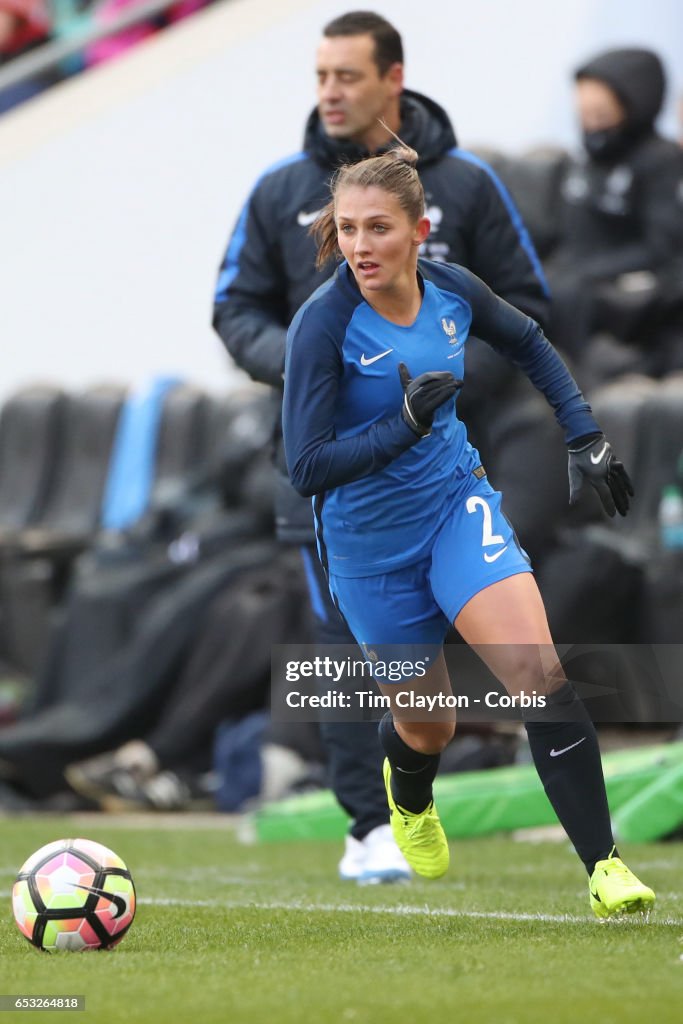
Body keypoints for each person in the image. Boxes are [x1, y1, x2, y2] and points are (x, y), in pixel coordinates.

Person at [213, 10, 564, 885]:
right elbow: (232, 310)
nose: (329, 92)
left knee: (473, 642)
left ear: (392, 78)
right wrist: (304, 371)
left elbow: (528, 307)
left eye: (346, 76)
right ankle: (367, 827)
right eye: (320, 76)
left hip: (441, 464)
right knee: (342, 644)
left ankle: (434, 790)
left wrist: (438, 387)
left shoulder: (470, 185)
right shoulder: (277, 188)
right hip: (327, 469)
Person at [282, 144, 655, 919]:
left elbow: (528, 342)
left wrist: (582, 434)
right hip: (367, 552)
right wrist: (404, 423)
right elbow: (307, 466)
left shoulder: (452, 290)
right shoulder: (320, 327)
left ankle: (604, 867)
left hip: (456, 506)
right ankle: (409, 799)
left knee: (536, 672)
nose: (358, 246)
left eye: (376, 228)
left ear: (420, 231)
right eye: (345, 229)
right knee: (428, 725)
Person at [545, 47, 683, 382]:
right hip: (575, 277)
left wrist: (585, 273)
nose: (592, 126)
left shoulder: (660, 160)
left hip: (624, 289)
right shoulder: (585, 160)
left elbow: (663, 248)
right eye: (585, 116)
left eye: (602, 116)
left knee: (571, 292)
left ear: (633, 106)